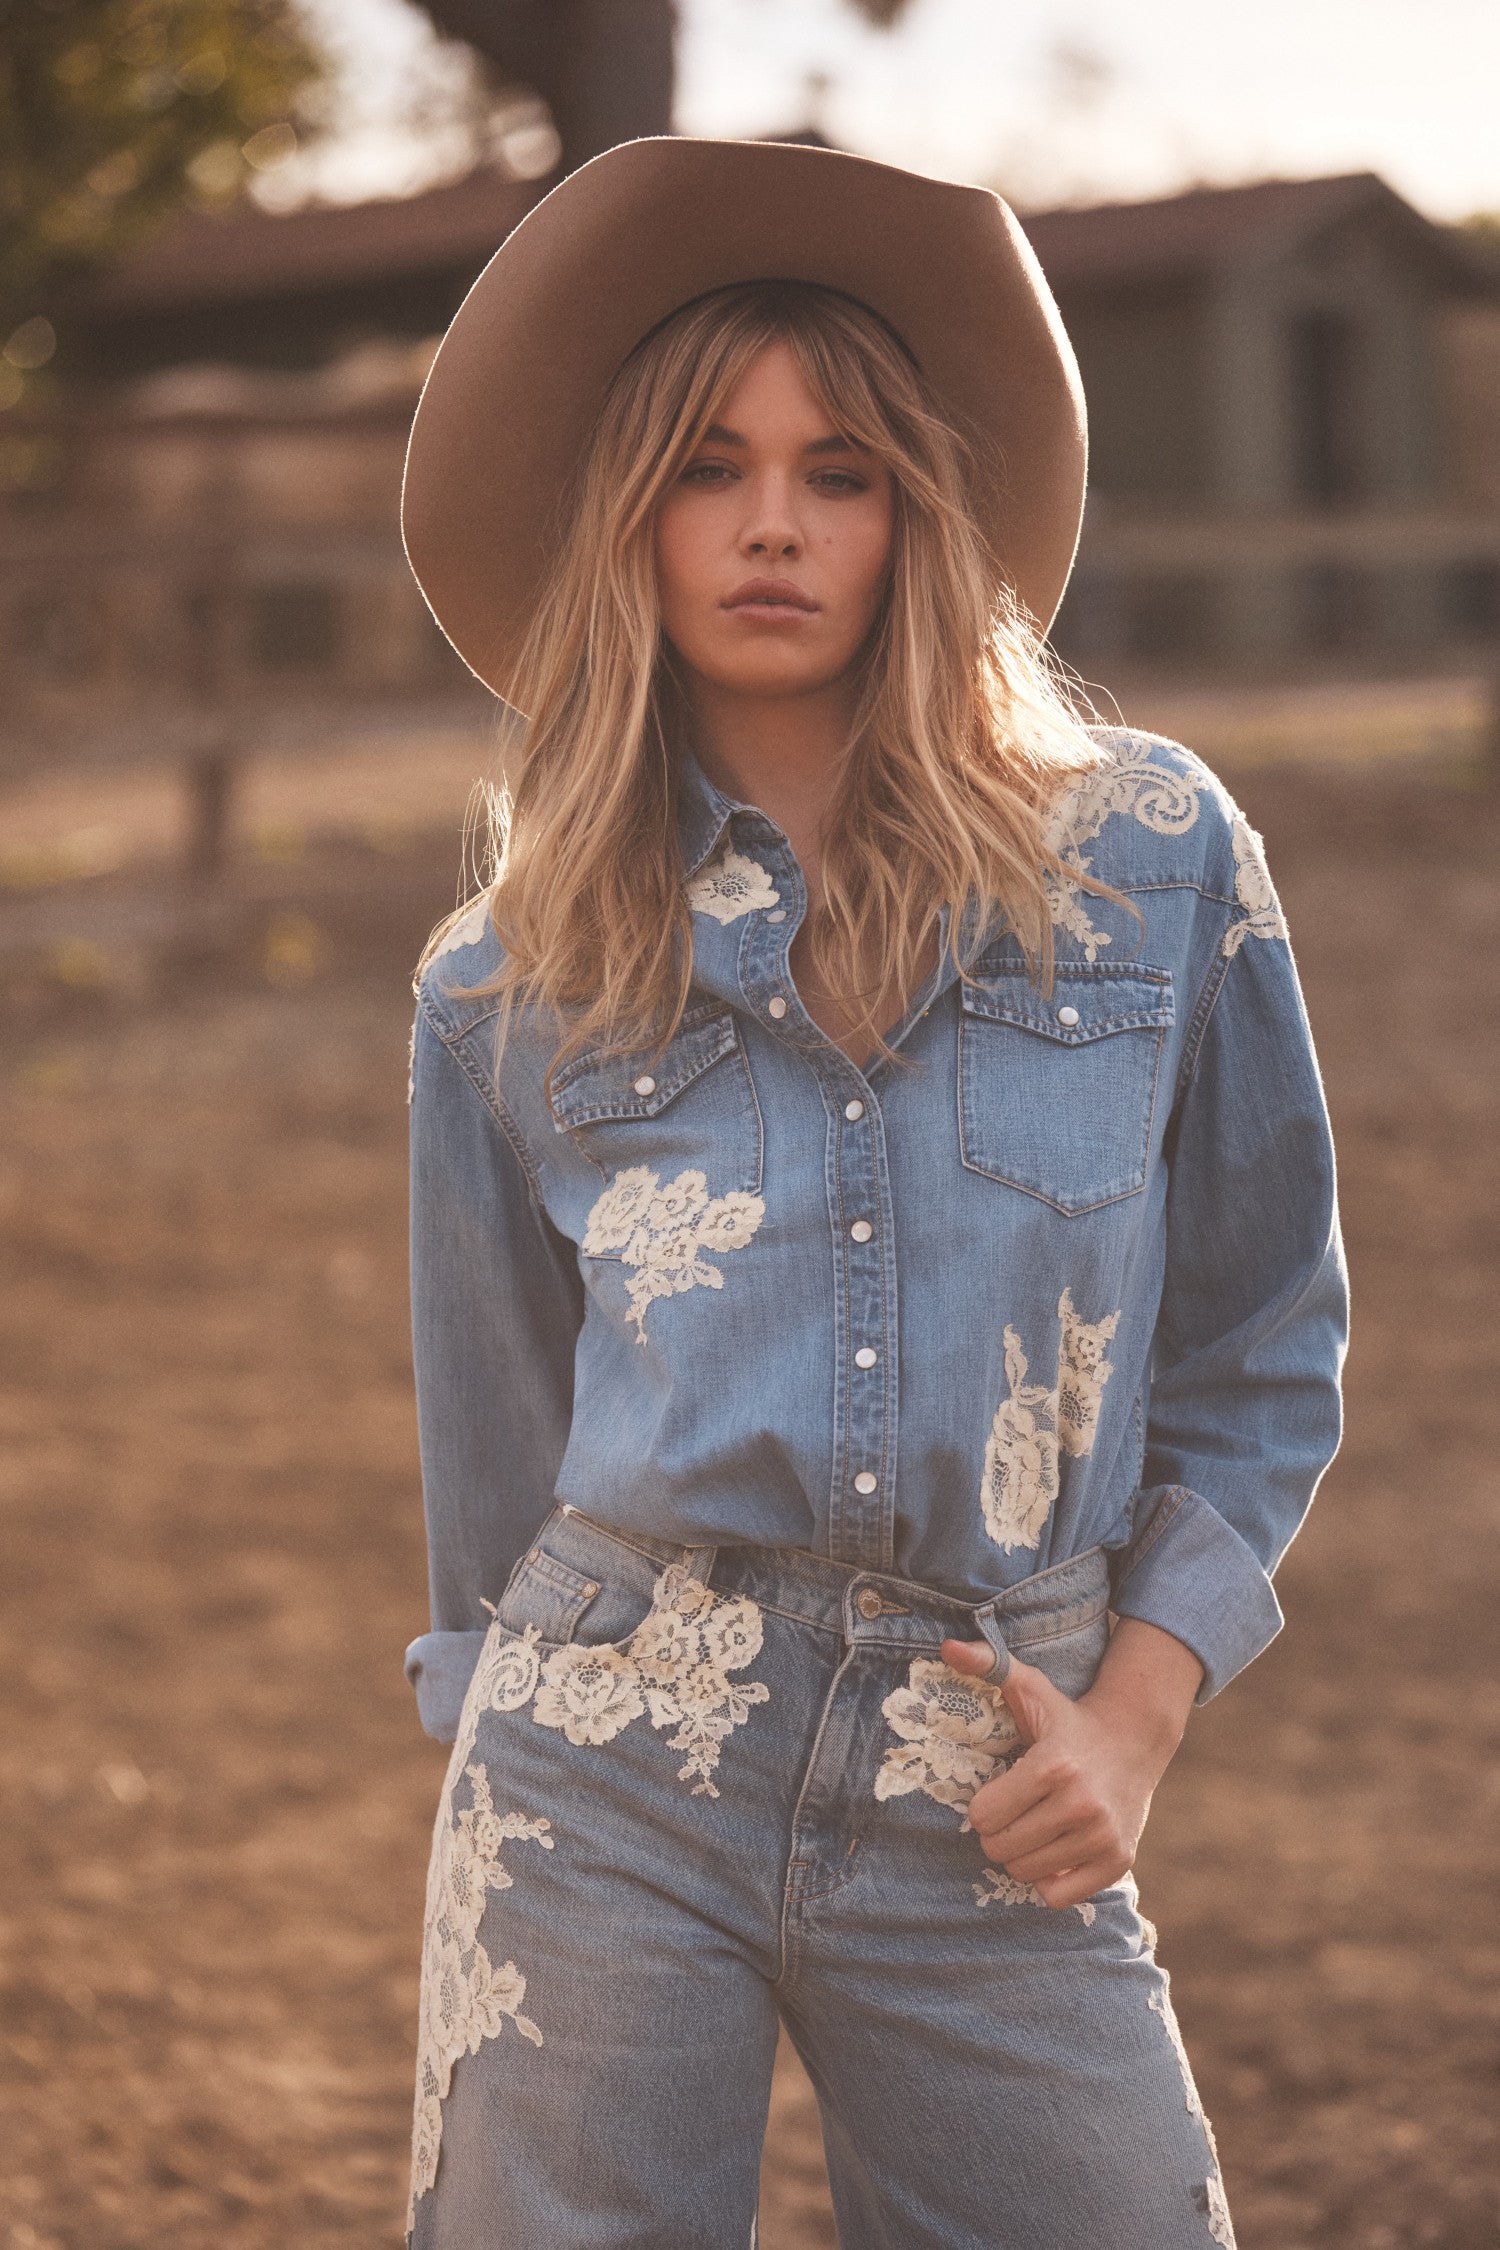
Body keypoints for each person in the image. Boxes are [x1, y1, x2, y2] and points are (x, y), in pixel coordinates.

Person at [397, 137, 1347, 2250]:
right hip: (609, 1770)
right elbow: (490, 1477)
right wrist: (501, 1783)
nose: (769, 528)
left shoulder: (1152, 862)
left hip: (989, 1769)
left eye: (837, 473)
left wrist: (1135, 1720)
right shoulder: (503, 978)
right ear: (623, 524)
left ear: (918, 513)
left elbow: (1266, 1341)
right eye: (706, 469)